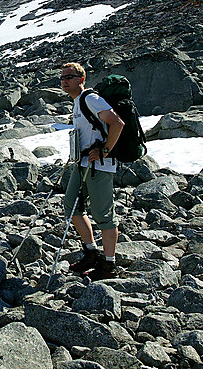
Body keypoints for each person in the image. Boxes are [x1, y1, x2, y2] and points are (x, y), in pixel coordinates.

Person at [60, 62, 125, 280]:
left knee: (104, 216)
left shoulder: (91, 99)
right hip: (83, 164)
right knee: (71, 205)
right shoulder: (77, 102)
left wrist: (105, 151)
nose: (65, 81)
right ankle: (91, 252)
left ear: (81, 79)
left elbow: (117, 123)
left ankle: (109, 264)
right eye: (62, 78)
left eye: (70, 76)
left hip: (100, 167)